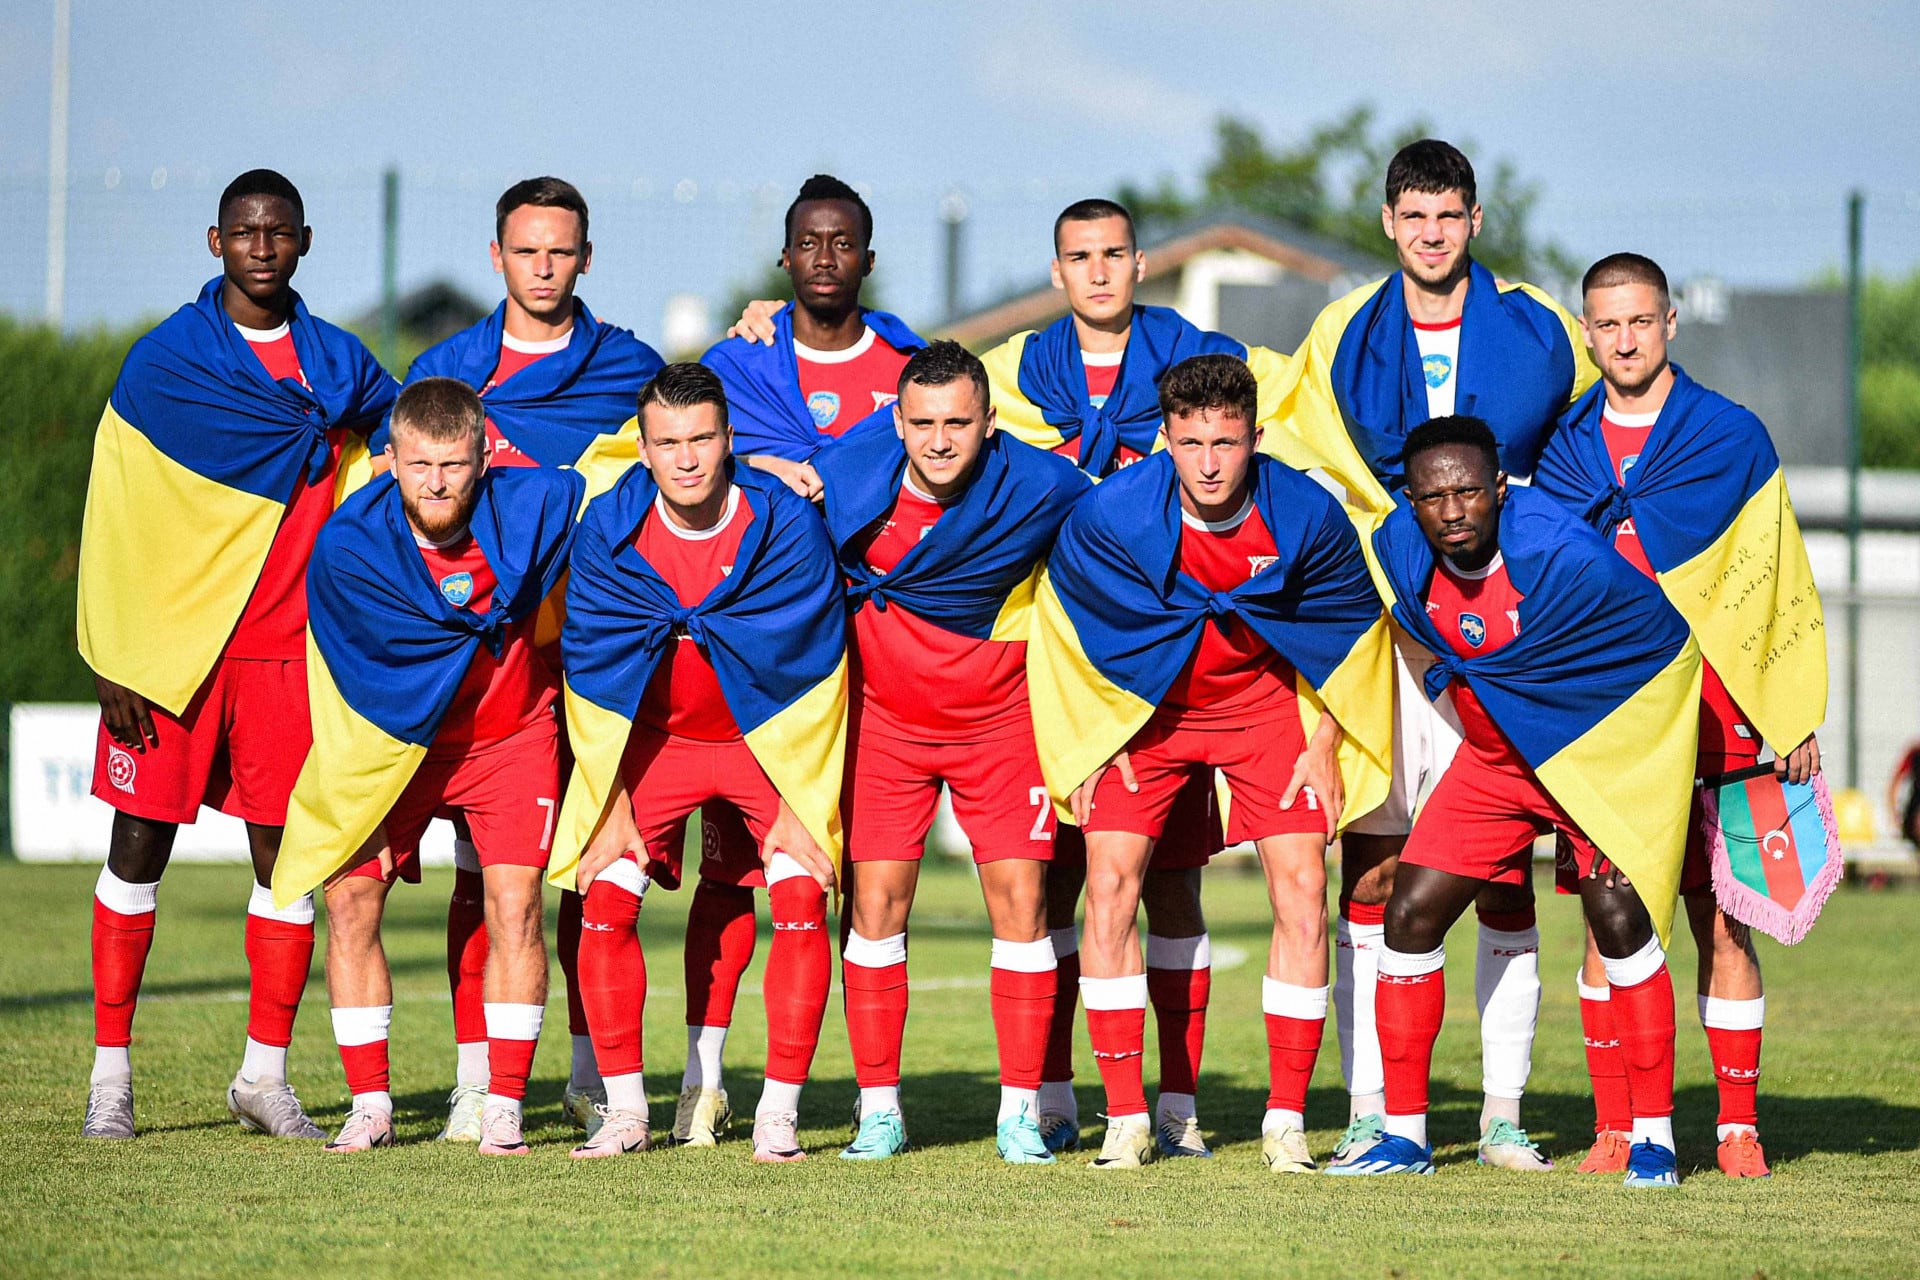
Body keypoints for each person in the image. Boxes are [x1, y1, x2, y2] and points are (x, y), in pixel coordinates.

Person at [1265, 140, 1600, 1168]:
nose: (1431, 234)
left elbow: (1587, 456)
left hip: (1507, 640)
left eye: (1447, 216)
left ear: (1476, 219)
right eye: (1413, 217)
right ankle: (1374, 1107)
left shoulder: (1540, 327)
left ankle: (1502, 1110)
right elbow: (1303, 463)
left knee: (1503, 873)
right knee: (1373, 865)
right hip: (1382, 638)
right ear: (1387, 222)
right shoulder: (1345, 329)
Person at [76, 168, 398, 1140]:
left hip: (282, 653)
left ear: (305, 241)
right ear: (214, 243)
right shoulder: (164, 361)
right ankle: (109, 1079)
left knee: (284, 862)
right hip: (170, 648)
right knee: (137, 850)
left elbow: (398, 444)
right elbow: (117, 506)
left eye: (279, 231)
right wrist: (113, 647)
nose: (263, 246)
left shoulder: (341, 364)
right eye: (245, 231)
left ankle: (263, 1076)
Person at [982, 197, 1297, 1155]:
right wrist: (768, 328)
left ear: (1141, 262)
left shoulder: (1203, 354)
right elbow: (916, 395)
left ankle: (1178, 1103)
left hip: (1196, 666)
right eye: (1079, 256)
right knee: (1067, 876)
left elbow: (1312, 406)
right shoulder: (1018, 370)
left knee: (1172, 884)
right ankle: (1061, 1093)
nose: (1099, 272)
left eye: (1114, 253)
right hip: (1067, 652)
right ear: (1056, 271)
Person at [1030, 354, 1391, 1170]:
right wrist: (1092, 739)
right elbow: (1071, 631)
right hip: (1148, 712)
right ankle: (1127, 1118)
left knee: (1305, 892)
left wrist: (1325, 743)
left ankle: (1285, 1122)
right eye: (1191, 443)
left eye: (1226, 443)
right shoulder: (1114, 513)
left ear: (1255, 437)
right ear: (1164, 438)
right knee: (1111, 887)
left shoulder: (1303, 515)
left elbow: (1349, 631)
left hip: (1265, 709)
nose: (1209, 462)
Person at [1330, 415, 1699, 1188]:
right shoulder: (1398, 546)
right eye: (1433, 496)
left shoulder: (1563, 559)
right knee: (1408, 912)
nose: (1453, 510)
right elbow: (1415, 627)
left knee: (1619, 918)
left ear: (1500, 488)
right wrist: (1442, 684)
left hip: (1579, 752)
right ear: (1410, 501)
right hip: (1496, 763)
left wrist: (1634, 762)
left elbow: (1663, 643)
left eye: (1469, 490)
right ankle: (1404, 1135)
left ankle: (1655, 1139)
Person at [1535, 252, 1827, 1178]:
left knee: (1723, 920)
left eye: (1639, 321)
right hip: (1608, 725)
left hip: (1723, 716)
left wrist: (1793, 709)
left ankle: (1737, 1124)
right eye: (1606, 324)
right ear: (1589, 332)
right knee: (1604, 920)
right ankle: (1617, 1123)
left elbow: (1777, 577)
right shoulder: (1563, 447)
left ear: (1670, 324)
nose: (1623, 339)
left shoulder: (1730, 436)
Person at [388, 176, 664, 1142]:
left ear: (586, 257)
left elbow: (691, 452)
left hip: (595, 659)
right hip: (484, 667)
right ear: (496, 255)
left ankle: (591, 1076)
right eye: (526, 249)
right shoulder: (448, 370)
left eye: (561, 250)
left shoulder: (629, 366)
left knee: (587, 872)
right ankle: (476, 1080)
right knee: (482, 879)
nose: (543, 266)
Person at [667, 176, 924, 1145]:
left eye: (843, 240)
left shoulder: (909, 364)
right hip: (760, 653)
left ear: (867, 254)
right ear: (786, 257)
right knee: (729, 871)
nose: (825, 256)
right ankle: (706, 1074)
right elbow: (673, 447)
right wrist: (766, 467)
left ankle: (873, 1093)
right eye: (808, 241)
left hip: (875, 650)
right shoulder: (740, 363)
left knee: (851, 871)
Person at [270, 377, 580, 1155]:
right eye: (418, 465)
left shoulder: (538, 504)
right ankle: (370, 1105)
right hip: (395, 744)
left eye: (452, 464)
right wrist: (361, 780)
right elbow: (346, 677)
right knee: (348, 899)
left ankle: (501, 1104)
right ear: (390, 461)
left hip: (508, 736)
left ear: (483, 456)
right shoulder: (348, 545)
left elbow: (624, 481)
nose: (435, 483)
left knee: (514, 910)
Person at [547, 363, 845, 1163]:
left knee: (800, 896)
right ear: (641, 450)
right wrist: (606, 799)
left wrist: (798, 792)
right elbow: (590, 664)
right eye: (668, 443)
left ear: (729, 440)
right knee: (604, 896)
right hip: (655, 745)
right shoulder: (610, 527)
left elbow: (817, 659)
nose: (686, 459)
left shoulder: (782, 522)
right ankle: (626, 1112)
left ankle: (779, 1114)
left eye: (702, 439)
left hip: (765, 746)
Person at [814, 341, 1090, 1163]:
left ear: (990, 421)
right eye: (923, 422)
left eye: (958, 423)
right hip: (883, 726)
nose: (939, 440)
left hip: (1000, 725)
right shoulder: (844, 479)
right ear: (895, 422)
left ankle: (1020, 1112)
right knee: (876, 912)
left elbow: (1128, 524)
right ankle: (878, 1112)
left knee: (1023, 907)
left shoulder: (1045, 484)